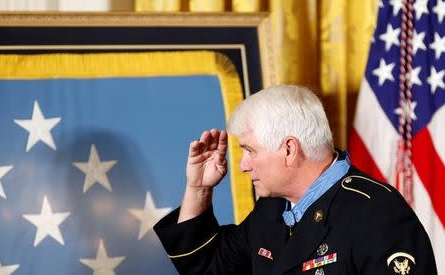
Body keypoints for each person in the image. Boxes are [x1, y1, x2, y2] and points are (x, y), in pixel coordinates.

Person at [154, 85, 437, 274]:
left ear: (289, 149)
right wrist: (199, 188)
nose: (242, 166)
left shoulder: (375, 212)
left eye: (250, 150)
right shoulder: (272, 209)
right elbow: (206, 267)